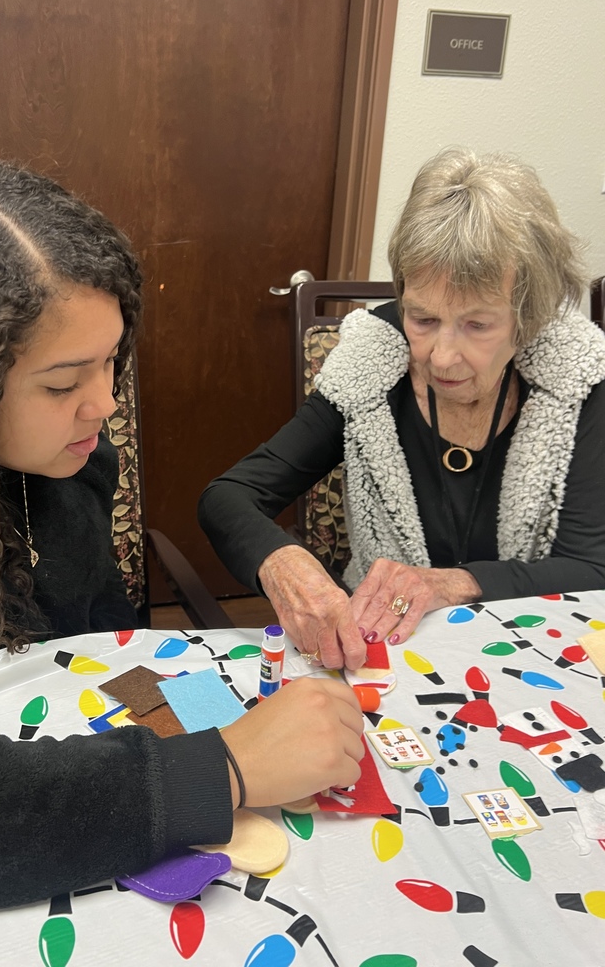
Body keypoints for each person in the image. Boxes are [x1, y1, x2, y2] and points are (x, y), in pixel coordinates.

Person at [0, 161, 365, 916]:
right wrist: (223, 768)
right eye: (62, 383)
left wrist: (212, 722)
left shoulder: (70, 460)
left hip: (61, 812)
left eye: (112, 362)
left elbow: (104, 643)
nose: (104, 404)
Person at [199, 147, 605, 672]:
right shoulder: (371, 366)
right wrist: (284, 563)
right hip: (385, 656)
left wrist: (454, 582)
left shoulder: (576, 378)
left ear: (529, 317)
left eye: (477, 325)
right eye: (422, 318)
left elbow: (592, 568)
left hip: (532, 653)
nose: (441, 356)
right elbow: (228, 495)